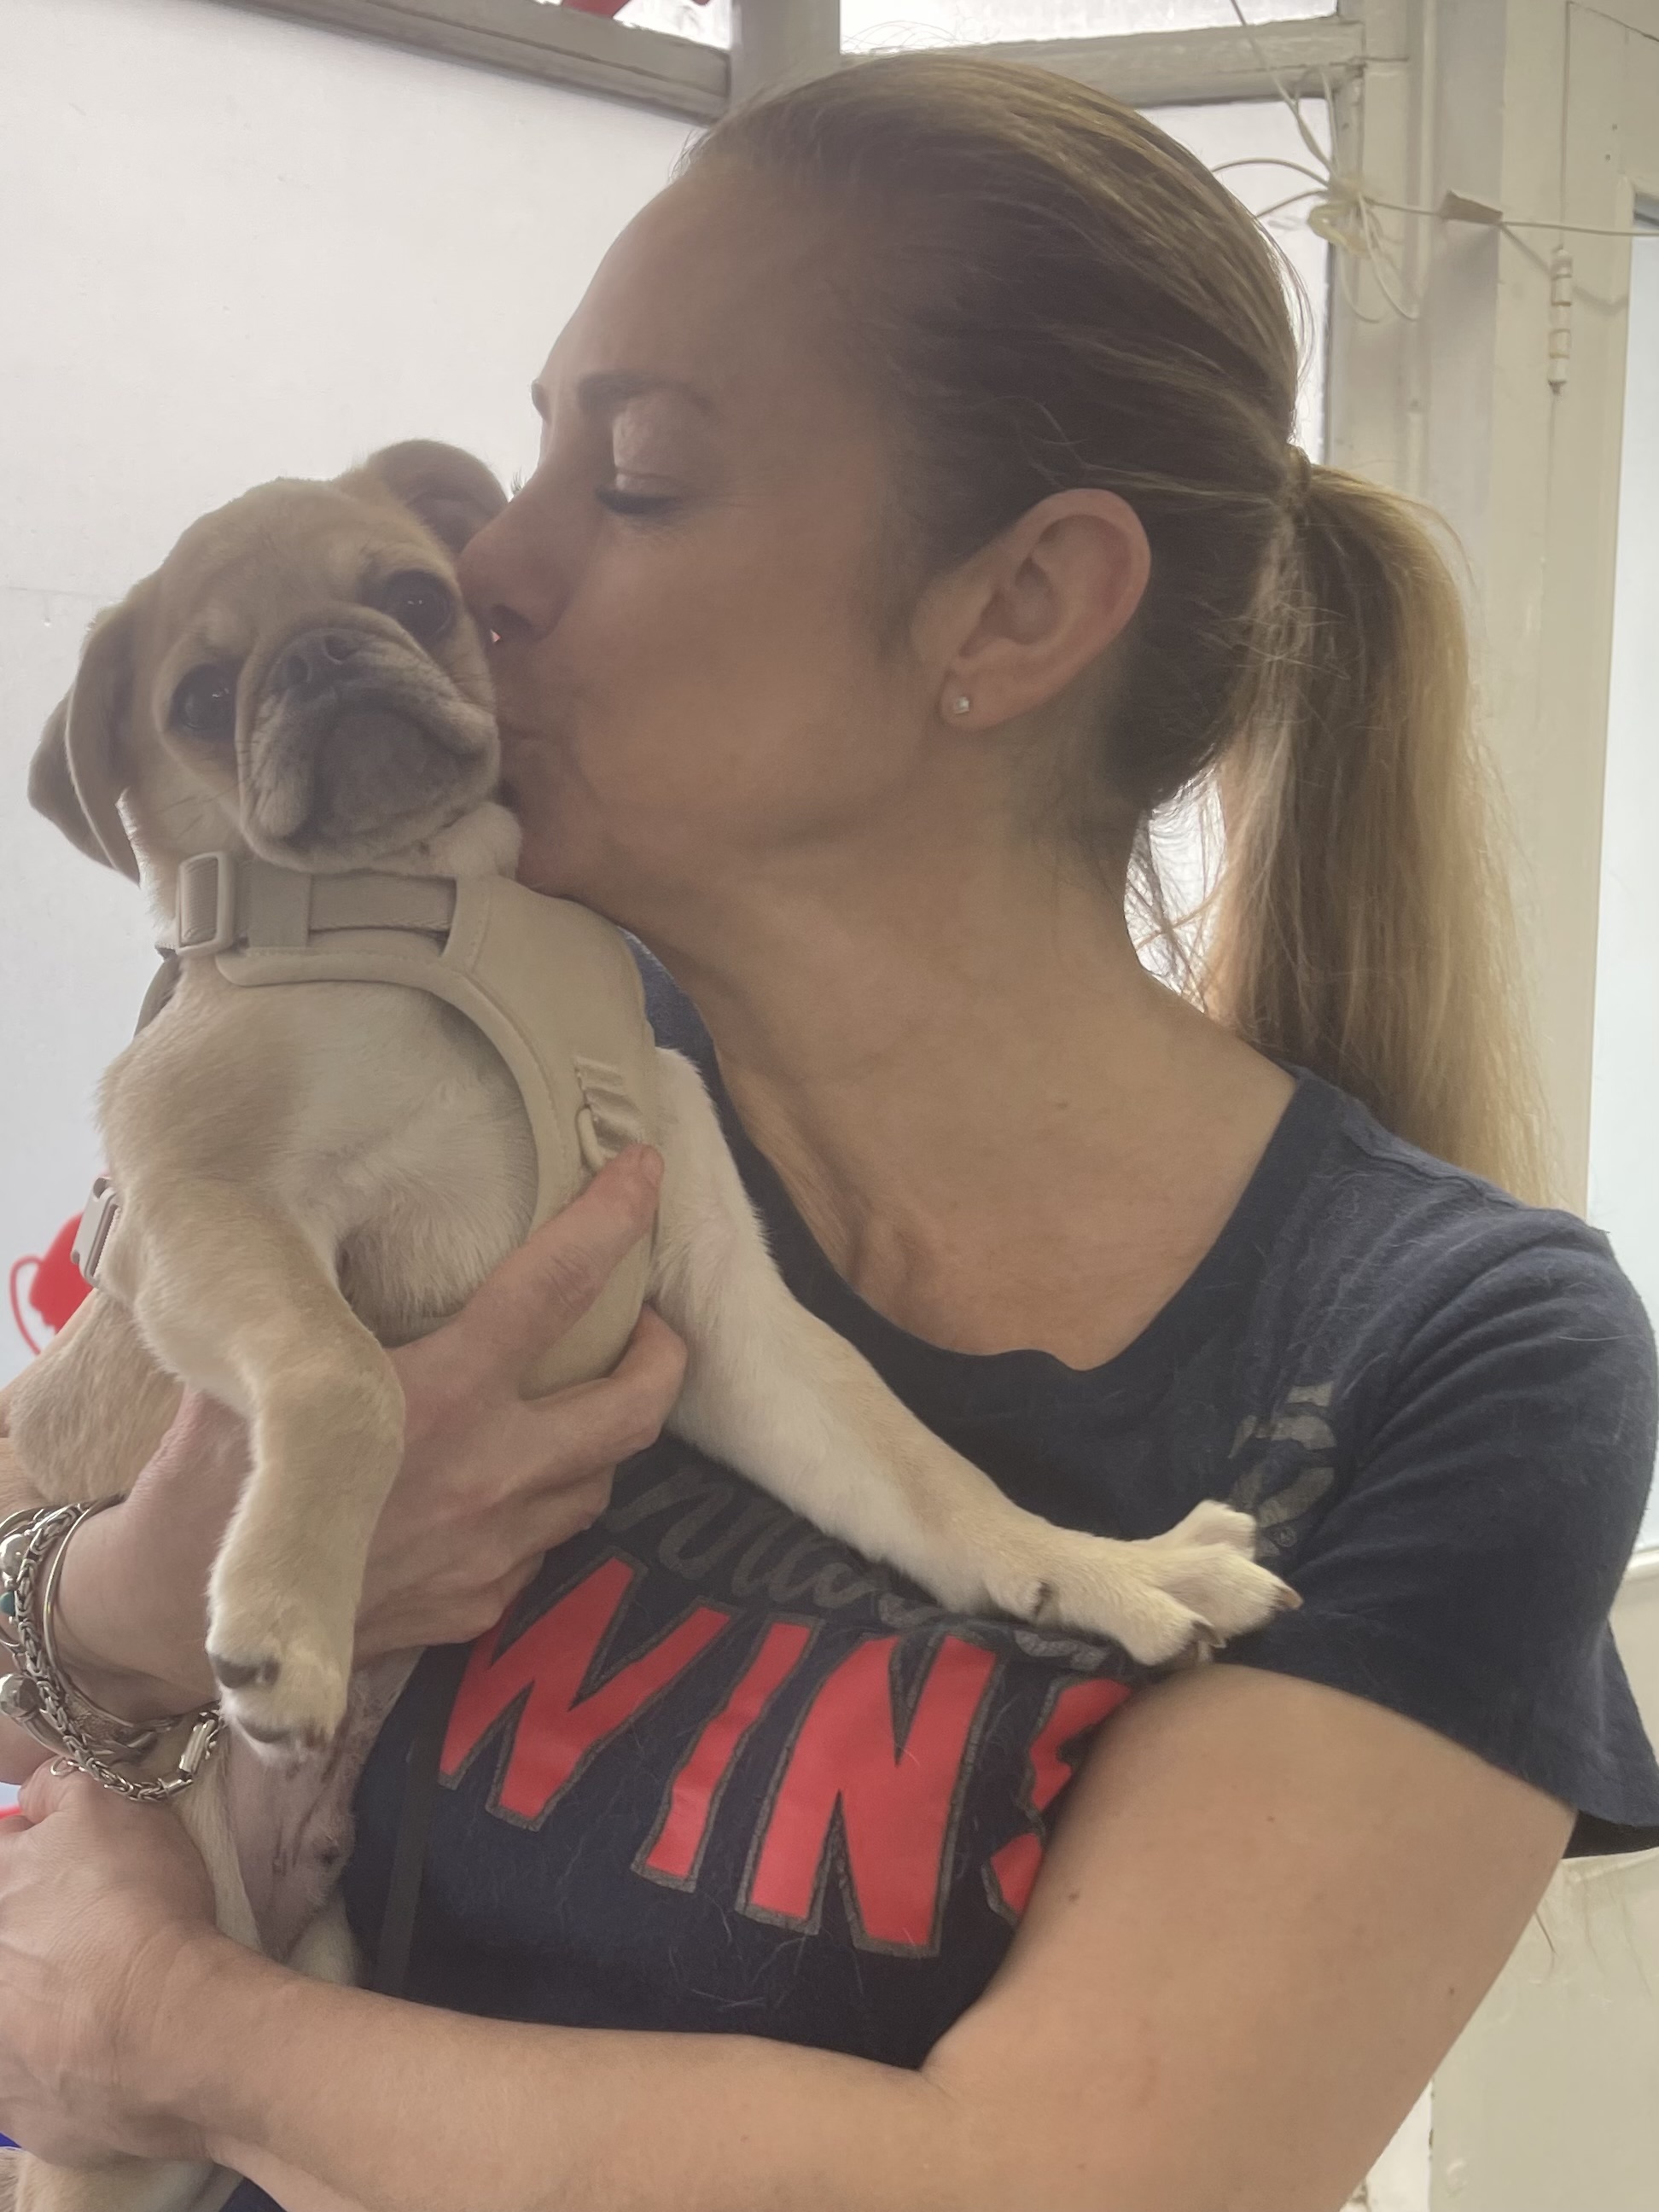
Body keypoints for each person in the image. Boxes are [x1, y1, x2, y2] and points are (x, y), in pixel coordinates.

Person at [2, 51, 1656, 2212]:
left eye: (636, 477)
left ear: (1017, 608)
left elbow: (1061, 2188)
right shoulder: (473, 1067)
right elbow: (58, 1524)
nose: (491, 562)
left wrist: (169, 2033)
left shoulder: (1448, 1350)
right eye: (528, 452)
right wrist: (111, 1618)